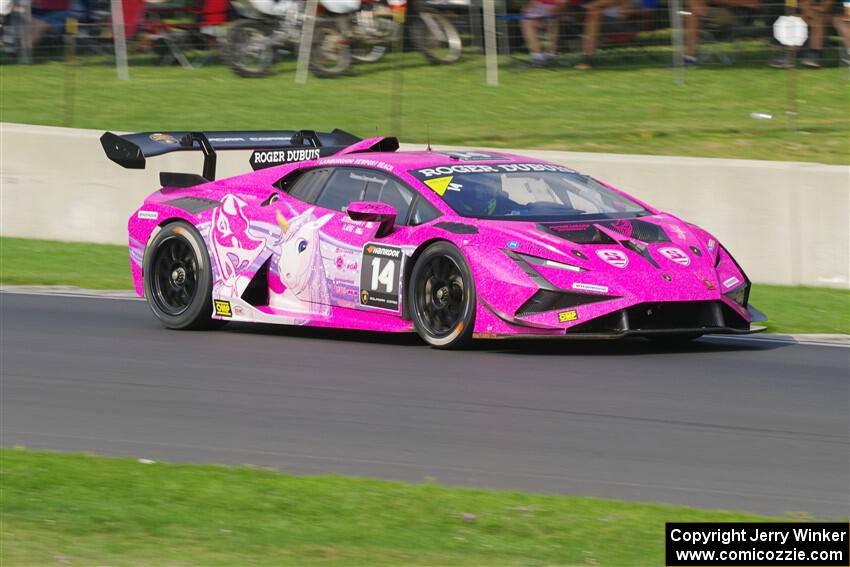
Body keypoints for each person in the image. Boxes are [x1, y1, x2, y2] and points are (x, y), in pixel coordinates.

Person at [684, 0, 758, 65]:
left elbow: (753, 3)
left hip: (737, 15)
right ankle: (690, 55)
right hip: (716, 11)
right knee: (692, 8)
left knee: (693, 9)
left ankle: (690, 56)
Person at [520, 0, 566, 66]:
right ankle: (538, 57)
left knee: (553, 20)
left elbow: (564, 3)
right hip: (540, 11)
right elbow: (533, 3)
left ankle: (550, 55)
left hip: (556, 10)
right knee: (526, 21)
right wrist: (529, 7)